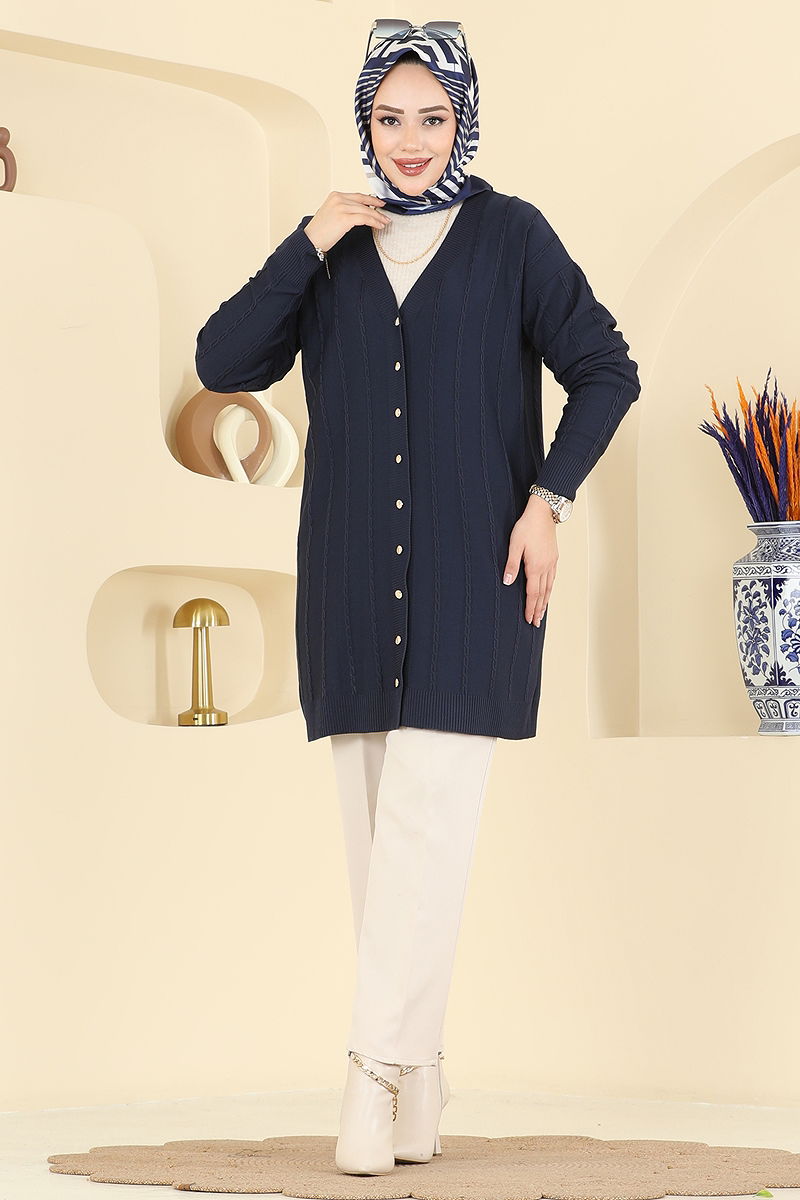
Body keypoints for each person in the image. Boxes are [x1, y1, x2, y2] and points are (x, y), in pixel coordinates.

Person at [195, 19, 641, 1180]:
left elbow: (605, 368)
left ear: (462, 119)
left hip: (471, 583)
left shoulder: (511, 236)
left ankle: (369, 1075)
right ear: (365, 122)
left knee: (424, 830)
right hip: (349, 585)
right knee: (377, 845)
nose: (408, 141)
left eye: (430, 118)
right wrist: (305, 240)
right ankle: (422, 1075)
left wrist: (547, 499)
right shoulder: (331, 251)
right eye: (388, 118)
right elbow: (222, 361)